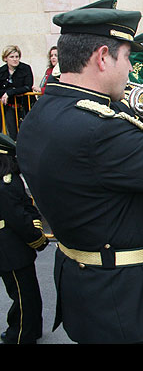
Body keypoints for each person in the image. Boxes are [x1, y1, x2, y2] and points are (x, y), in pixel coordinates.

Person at [16, 0, 143, 344]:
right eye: (126, 57)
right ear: (101, 57)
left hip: (83, 279)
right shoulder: (100, 129)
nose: (130, 70)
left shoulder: (45, 110)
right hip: (124, 297)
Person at [0, 133, 48, 344]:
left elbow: (25, 210)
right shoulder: (6, 185)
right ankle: (21, 334)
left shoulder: (8, 182)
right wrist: (38, 240)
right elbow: (20, 219)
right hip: (10, 250)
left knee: (26, 294)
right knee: (23, 295)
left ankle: (26, 332)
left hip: (12, 249)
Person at [0, 45, 34, 140]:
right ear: (5, 58)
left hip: (25, 105)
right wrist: (8, 92)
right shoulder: (2, 71)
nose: (15, 59)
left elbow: (28, 86)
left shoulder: (25, 68)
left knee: (27, 131)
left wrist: (10, 92)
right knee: (12, 133)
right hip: (10, 107)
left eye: (17, 57)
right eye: (12, 57)